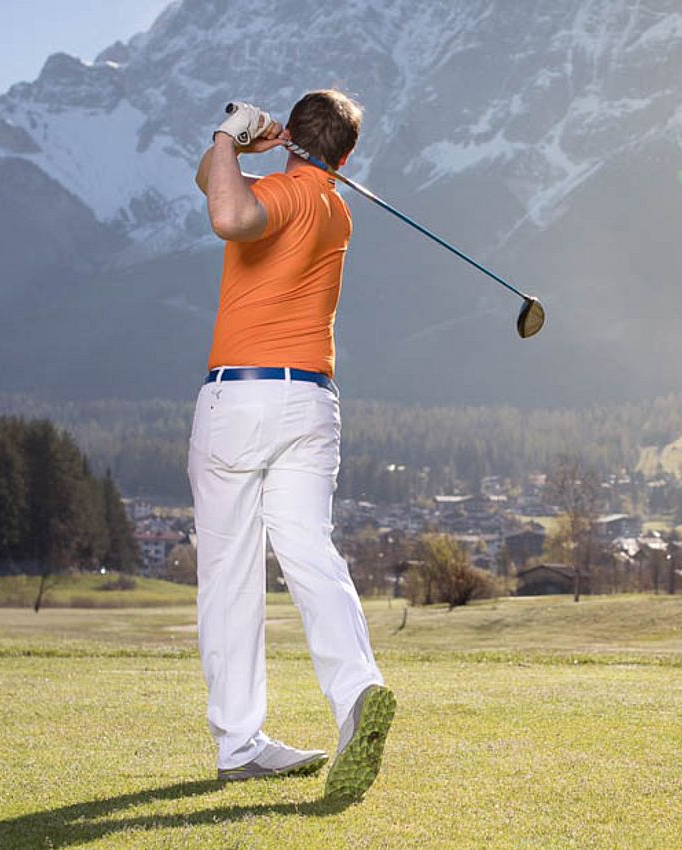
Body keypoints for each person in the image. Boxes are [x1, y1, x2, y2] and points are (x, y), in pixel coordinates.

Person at [190, 90, 392, 801]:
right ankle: (358, 691)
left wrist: (230, 134)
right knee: (308, 549)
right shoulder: (334, 209)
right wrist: (238, 152)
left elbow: (225, 212)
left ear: (295, 138)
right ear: (346, 154)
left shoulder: (288, 196)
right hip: (312, 401)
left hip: (240, 398)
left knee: (229, 572)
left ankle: (239, 740)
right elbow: (216, 183)